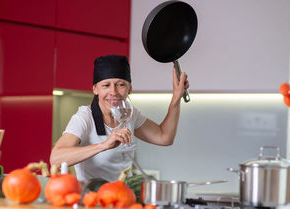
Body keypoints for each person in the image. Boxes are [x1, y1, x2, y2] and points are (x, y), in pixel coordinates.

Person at [50, 55, 189, 182]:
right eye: (106, 85)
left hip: (123, 196)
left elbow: (164, 137)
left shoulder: (129, 113)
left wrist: (176, 99)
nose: (113, 92)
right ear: (95, 89)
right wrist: (104, 145)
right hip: (93, 200)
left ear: (130, 88)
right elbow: (56, 158)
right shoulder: (84, 118)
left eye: (120, 84)